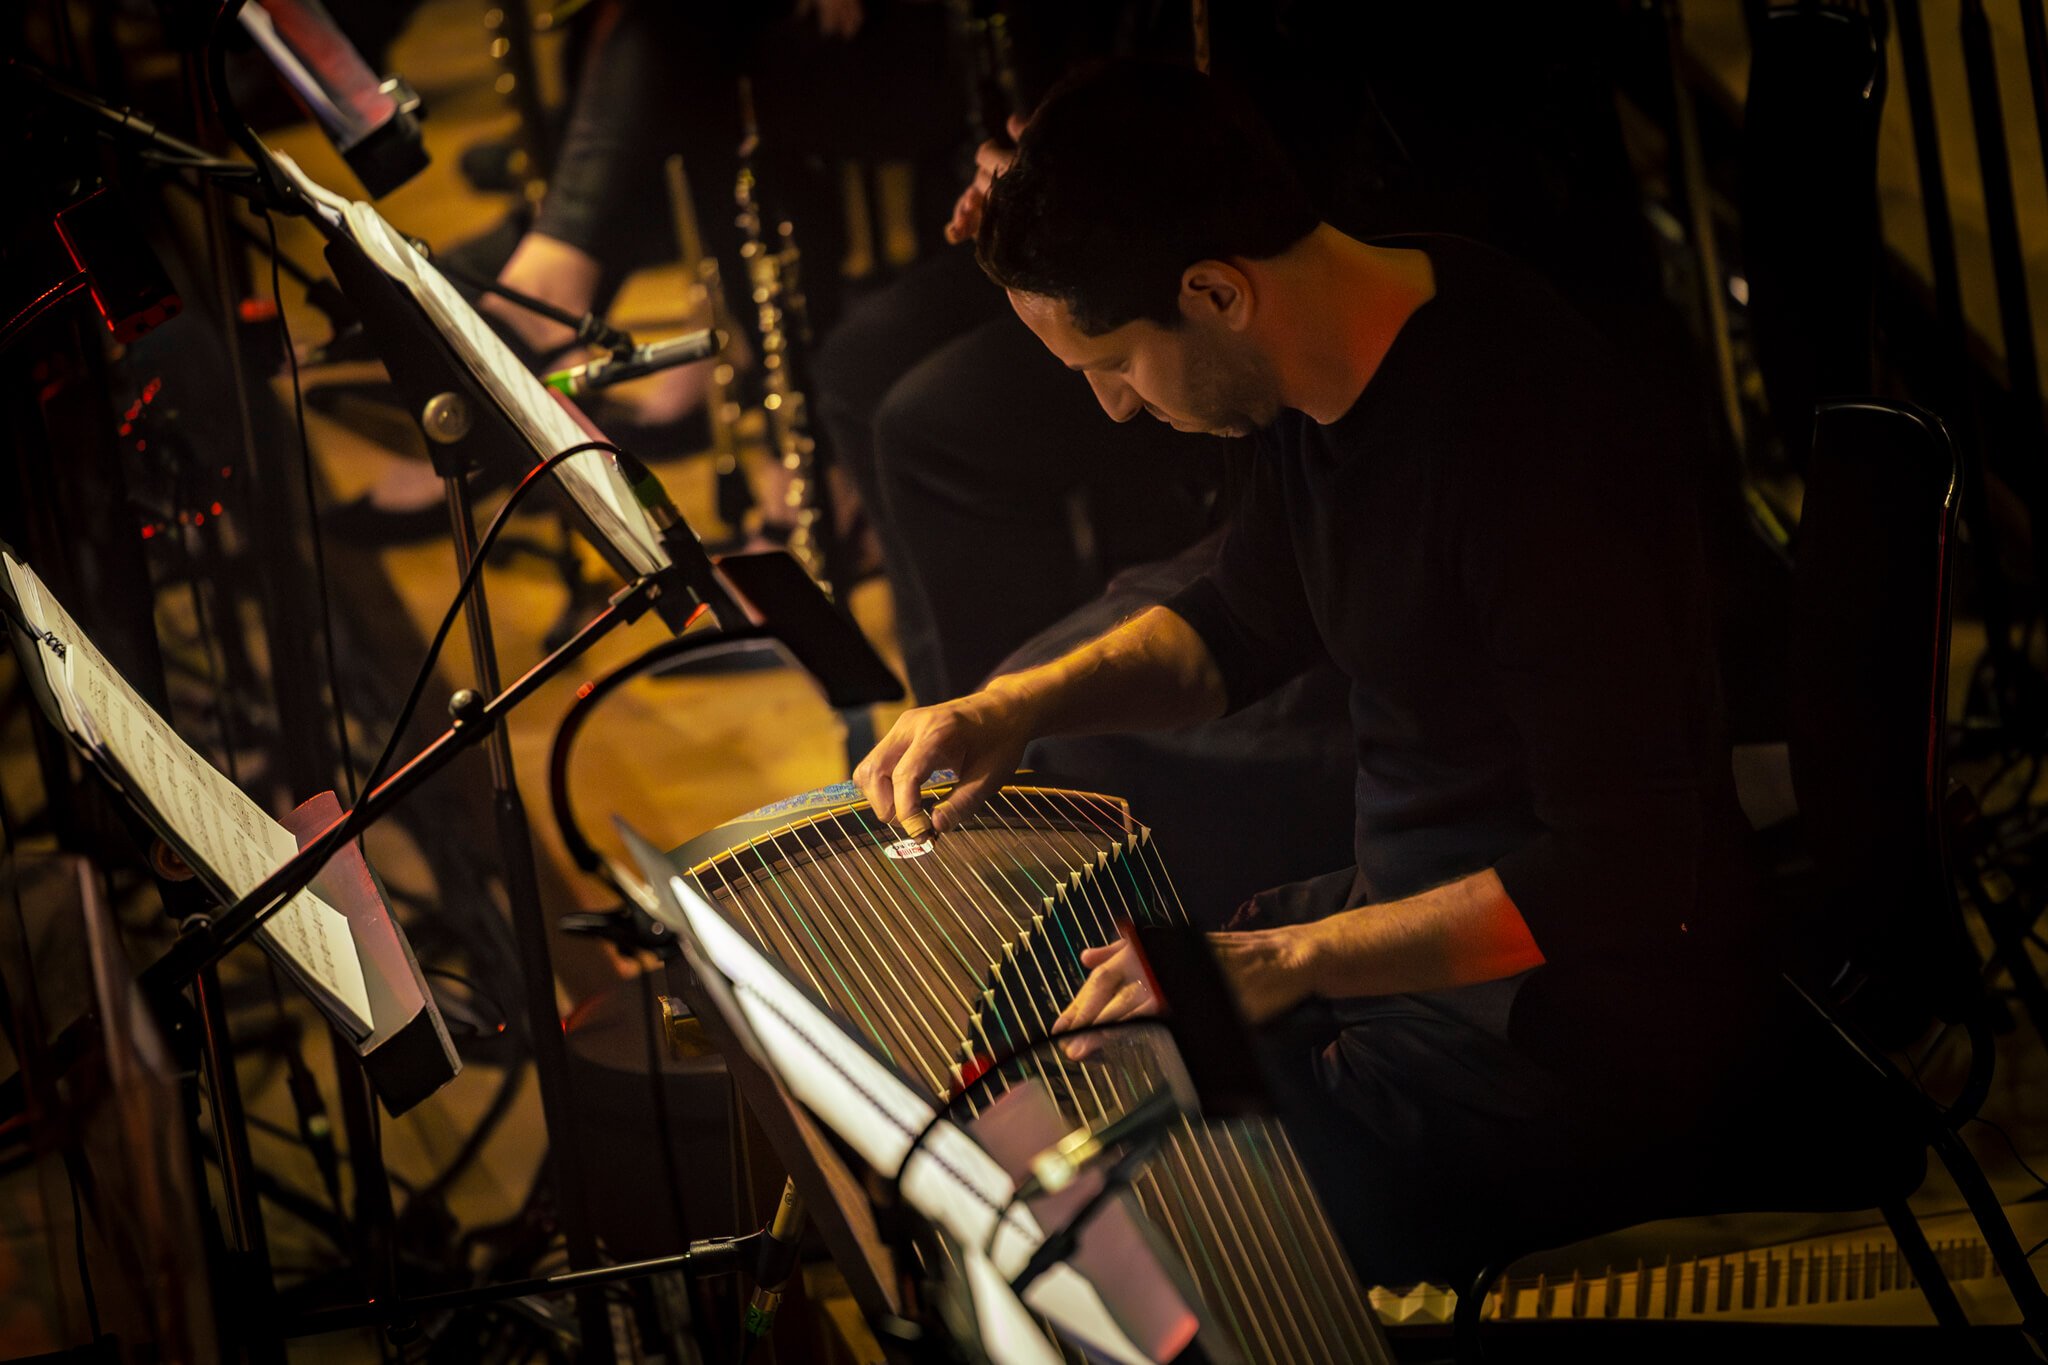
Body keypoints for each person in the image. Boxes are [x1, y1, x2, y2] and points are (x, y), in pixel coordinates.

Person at [851, 60, 1766, 1283]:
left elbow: (1628, 871)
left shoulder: (1526, 445)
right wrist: (1013, 705)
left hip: (1566, 1031)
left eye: (1111, 362)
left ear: (1214, 293)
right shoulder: (1332, 360)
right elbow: (1241, 623)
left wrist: (1293, 963)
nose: (1114, 411)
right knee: (1020, 1082)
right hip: (1396, 946)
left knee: (1127, 1245)